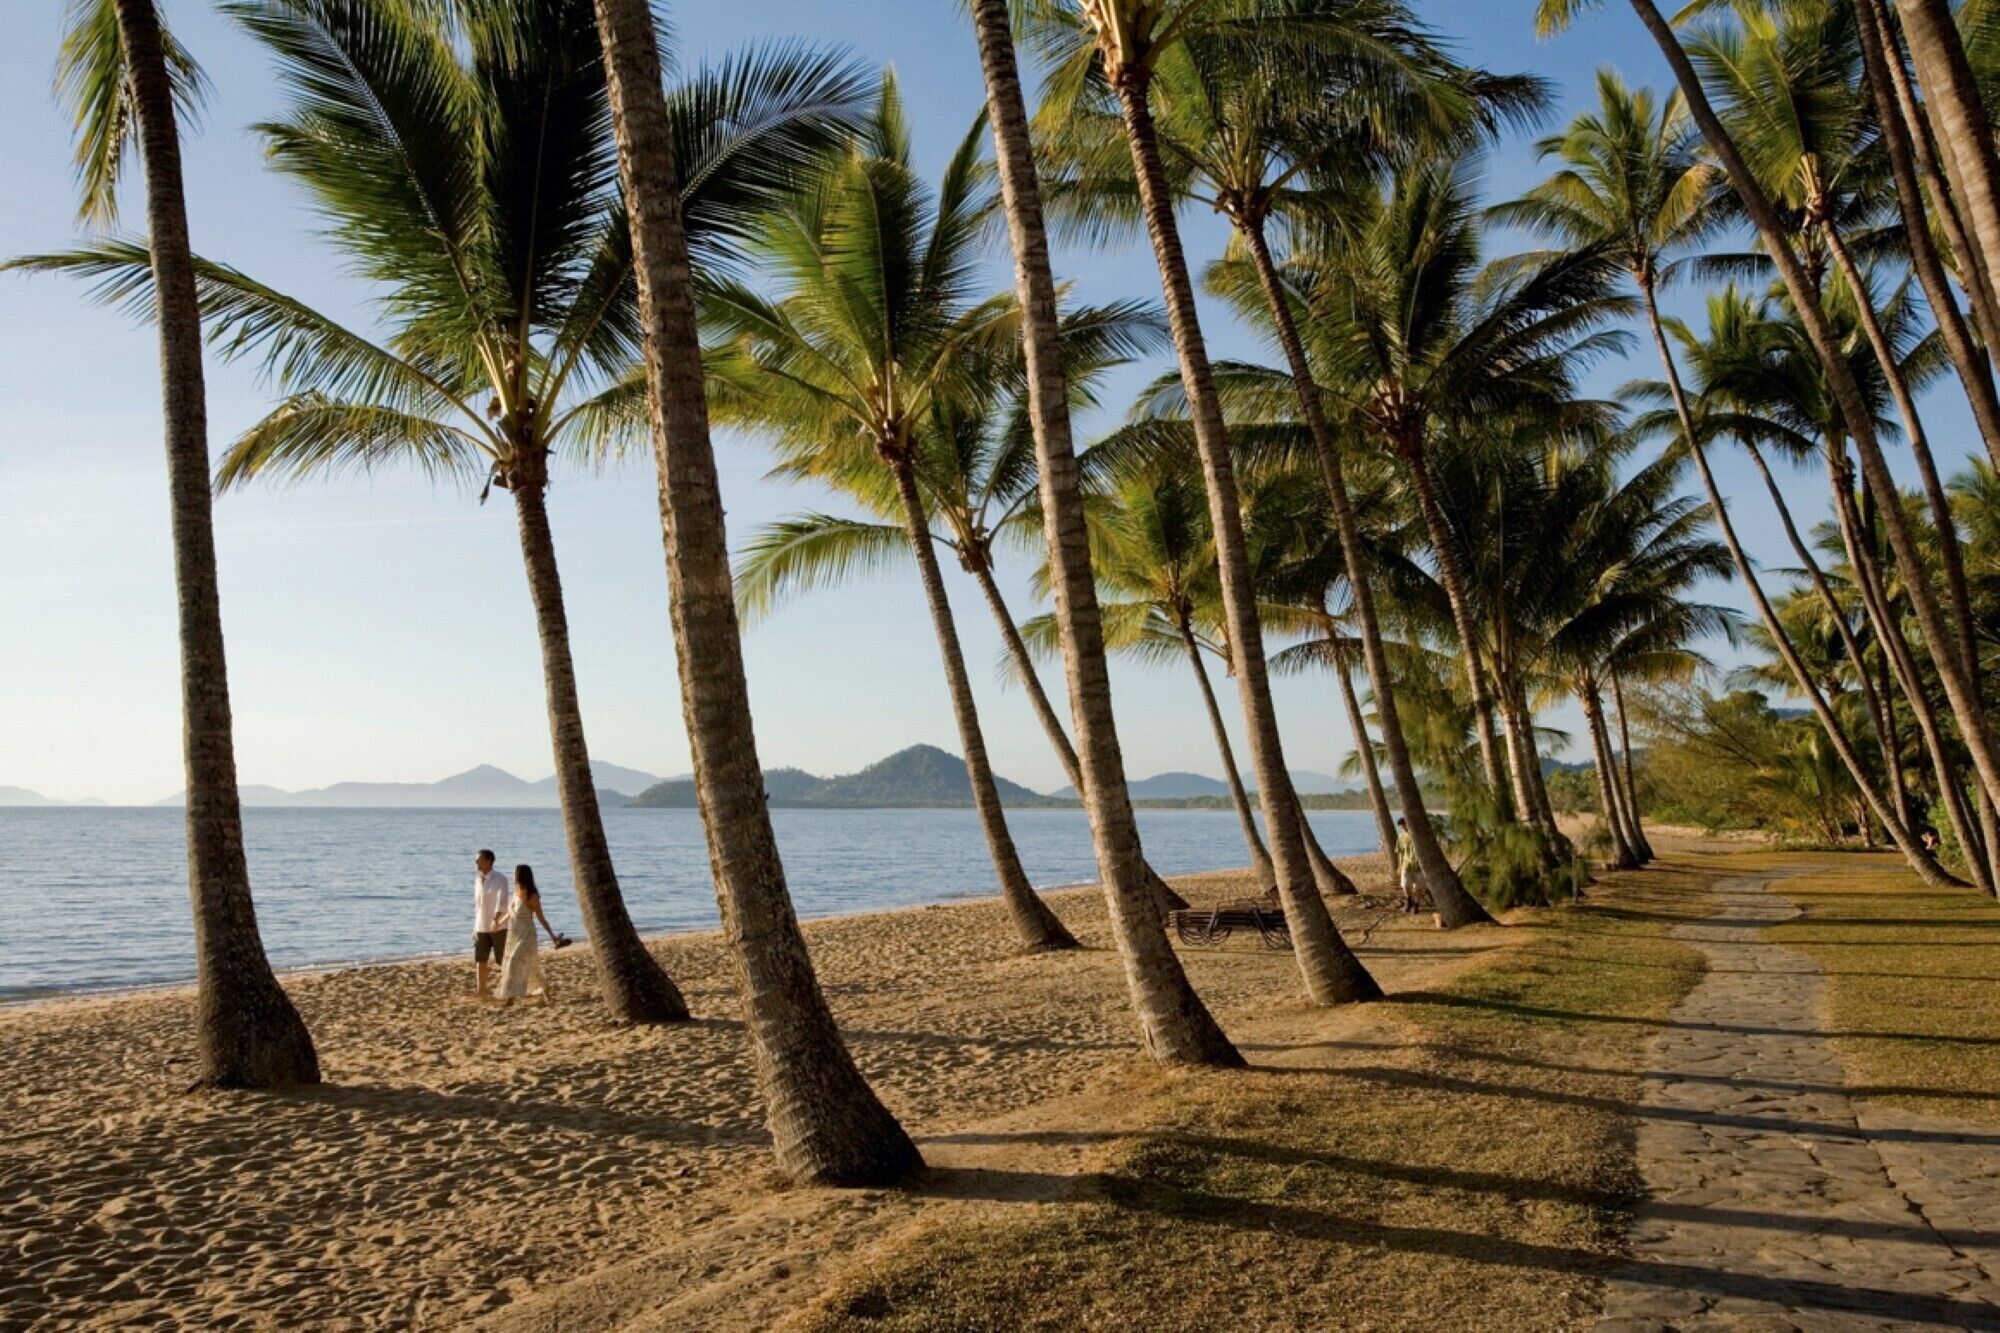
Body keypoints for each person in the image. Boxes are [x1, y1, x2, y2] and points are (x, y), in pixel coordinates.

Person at [496, 864, 563, 1005]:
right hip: (514, 934)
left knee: (513, 962)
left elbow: (541, 917)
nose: (513, 876)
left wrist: (552, 936)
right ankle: (547, 992)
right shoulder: (516, 892)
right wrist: (498, 923)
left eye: (515, 873)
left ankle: (510, 998)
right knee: (532, 967)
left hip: (527, 935)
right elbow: (510, 912)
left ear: (520, 875)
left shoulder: (532, 896)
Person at [472, 849, 510, 999]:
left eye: (479, 860)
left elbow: (502, 902)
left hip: (498, 927)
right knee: (480, 959)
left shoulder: (500, 879)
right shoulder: (477, 880)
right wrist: (475, 928)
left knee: (502, 960)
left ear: (488, 861)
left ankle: (508, 989)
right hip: (481, 926)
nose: (476, 862)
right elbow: (477, 906)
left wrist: (496, 920)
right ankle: (481, 990)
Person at [1394, 817, 1420, 914]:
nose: (1403, 827)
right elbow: (1400, 852)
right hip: (1406, 864)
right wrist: (1399, 866)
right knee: (1405, 885)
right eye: (1402, 826)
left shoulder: (1417, 835)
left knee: (1418, 887)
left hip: (1418, 865)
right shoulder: (1401, 837)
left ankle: (1416, 905)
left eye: (1404, 825)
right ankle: (1408, 901)